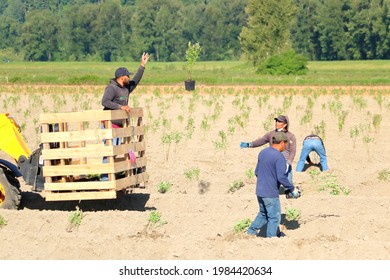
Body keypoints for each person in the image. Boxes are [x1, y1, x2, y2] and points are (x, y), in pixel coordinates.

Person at [100, 52, 149, 180]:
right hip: (109, 124)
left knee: (118, 150)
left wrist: (142, 65)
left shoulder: (126, 88)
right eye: (128, 76)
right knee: (109, 150)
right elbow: (104, 101)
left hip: (121, 125)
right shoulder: (112, 88)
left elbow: (136, 80)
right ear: (122, 77)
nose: (129, 78)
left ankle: (115, 174)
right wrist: (121, 107)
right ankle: (105, 178)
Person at [247, 132, 300, 238]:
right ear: (281, 143)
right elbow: (281, 177)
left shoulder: (263, 152)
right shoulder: (279, 157)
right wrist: (292, 188)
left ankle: (250, 232)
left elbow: (257, 172)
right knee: (274, 217)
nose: (286, 147)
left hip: (260, 191)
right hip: (270, 193)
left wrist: (266, 180)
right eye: (286, 144)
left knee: (263, 214)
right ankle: (271, 240)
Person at [240, 115, 297, 185]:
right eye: (276, 121)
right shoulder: (271, 134)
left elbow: (293, 151)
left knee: (289, 185)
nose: (277, 123)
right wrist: (249, 144)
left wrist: (288, 163)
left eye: (279, 121)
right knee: (273, 184)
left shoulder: (291, 136)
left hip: (284, 163)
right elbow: (261, 140)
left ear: (285, 124)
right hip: (273, 162)